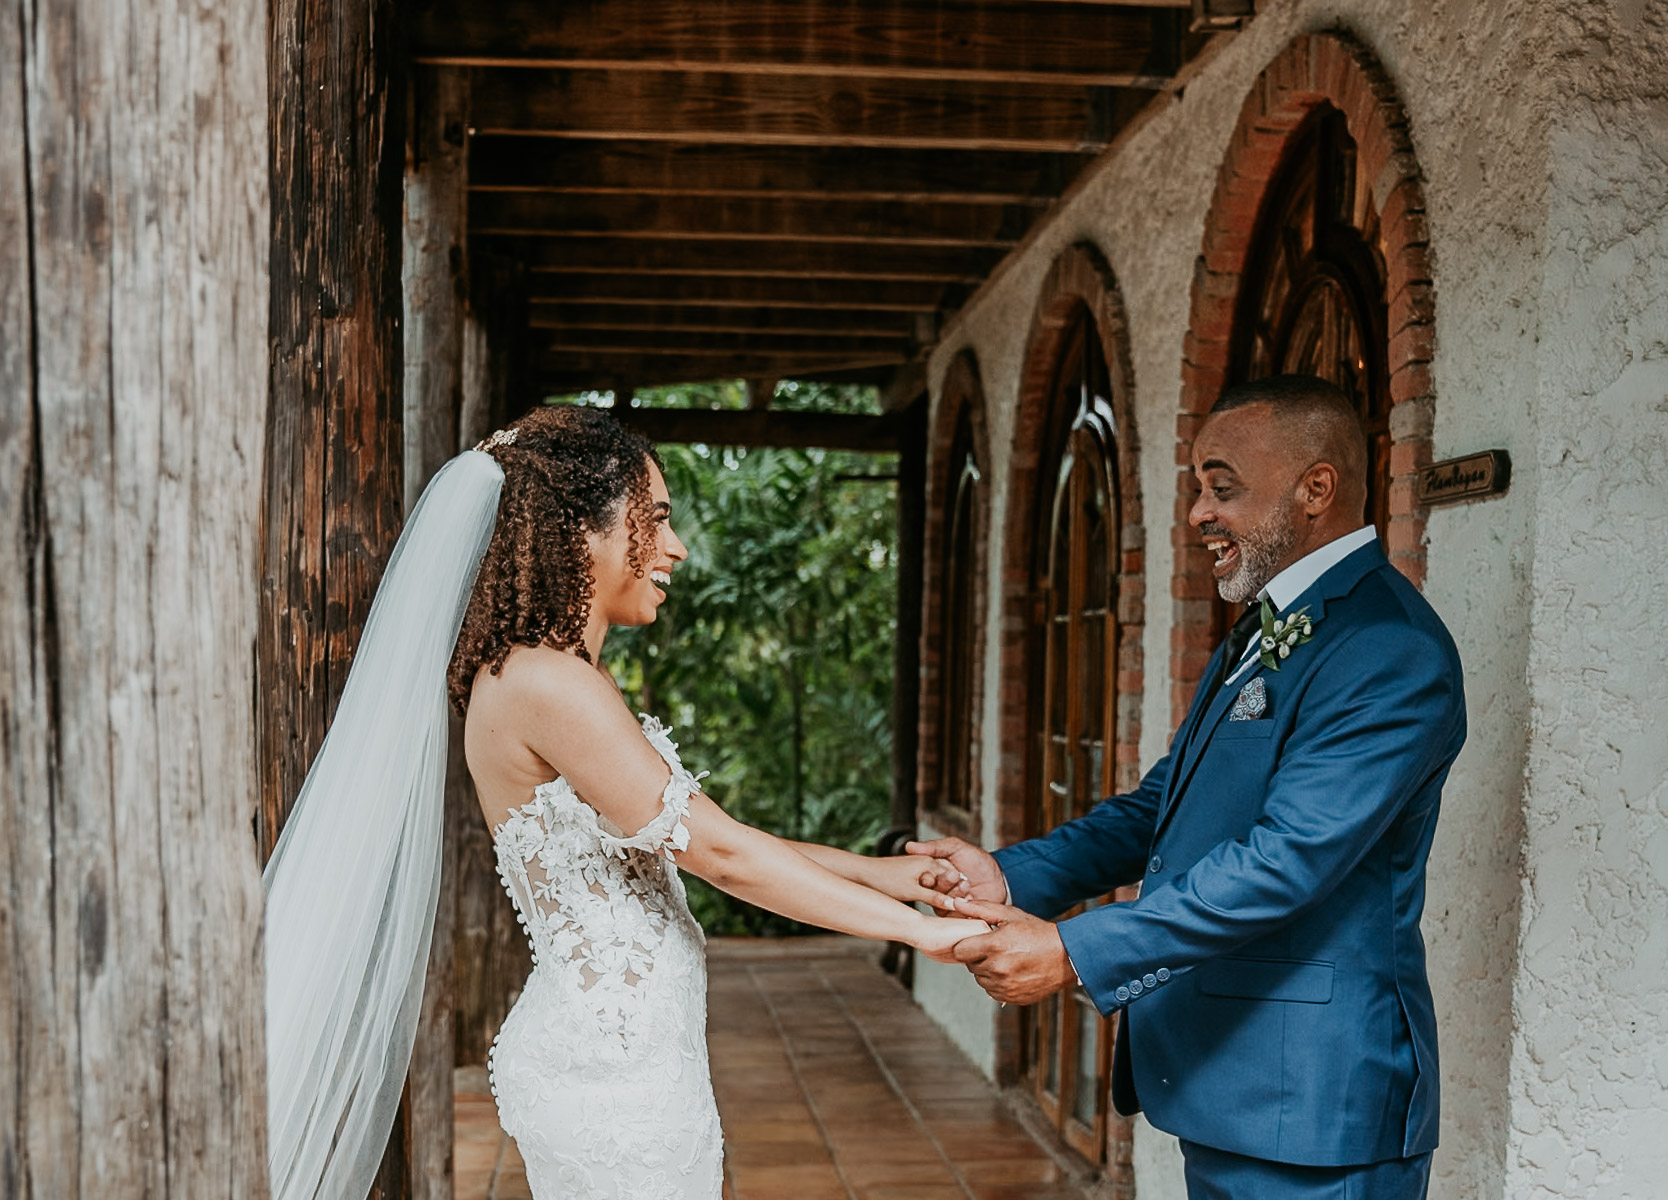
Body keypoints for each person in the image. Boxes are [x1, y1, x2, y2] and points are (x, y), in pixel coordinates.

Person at [263, 405, 984, 1200]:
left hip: (632, 1059)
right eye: (656, 520)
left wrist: (892, 877)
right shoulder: (548, 683)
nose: (675, 549)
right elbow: (723, 856)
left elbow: (708, 833)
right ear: (585, 530)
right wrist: (922, 935)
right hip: (613, 1080)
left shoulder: (556, 679)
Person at [916, 375, 1467, 1200]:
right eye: (1198, 489)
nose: (1198, 513)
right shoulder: (1266, 626)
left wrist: (1072, 952)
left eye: (1222, 487)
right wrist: (1017, 876)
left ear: (1315, 488)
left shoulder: (1389, 648)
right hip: (1233, 1085)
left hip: (1318, 1107)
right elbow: (1163, 806)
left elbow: (1287, 860)